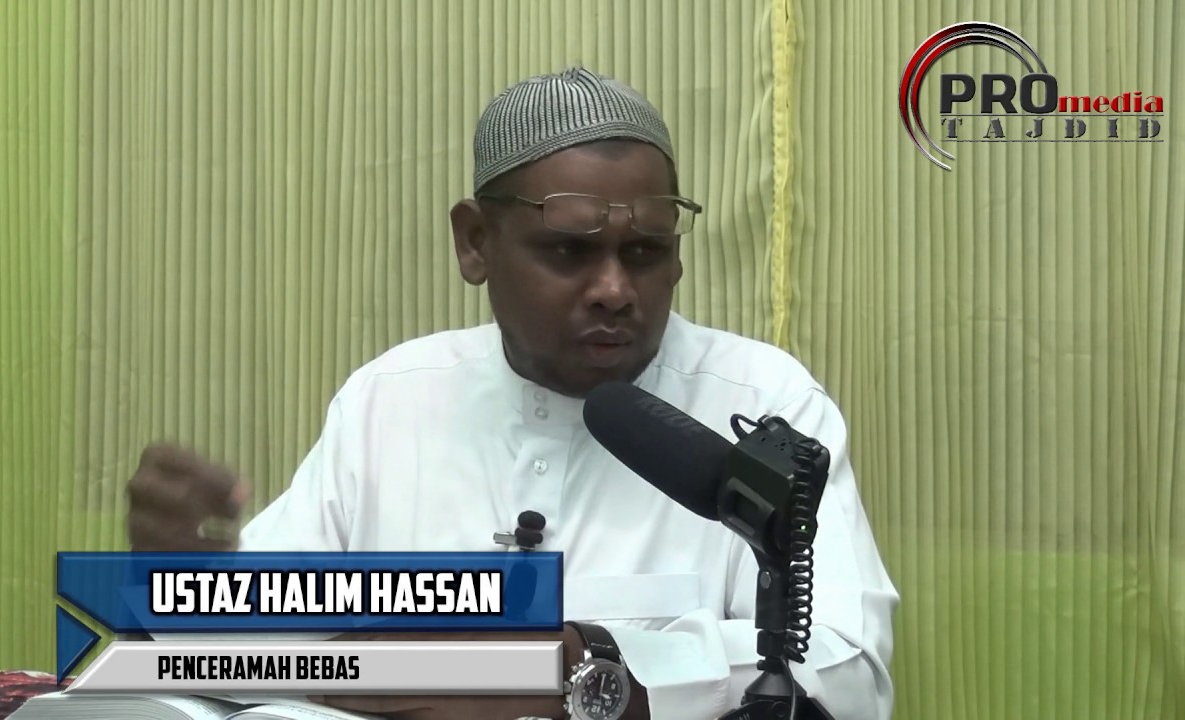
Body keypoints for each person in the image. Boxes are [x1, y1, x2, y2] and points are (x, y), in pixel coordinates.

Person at [127, 66, 899, 720]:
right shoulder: (392, 402)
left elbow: (847, 672)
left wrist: (582, 666)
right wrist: (187, 589)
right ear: (475, 243)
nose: (614, 289)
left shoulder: (761, 405)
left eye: (644, 250)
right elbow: (258, 648)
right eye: (569, 250)